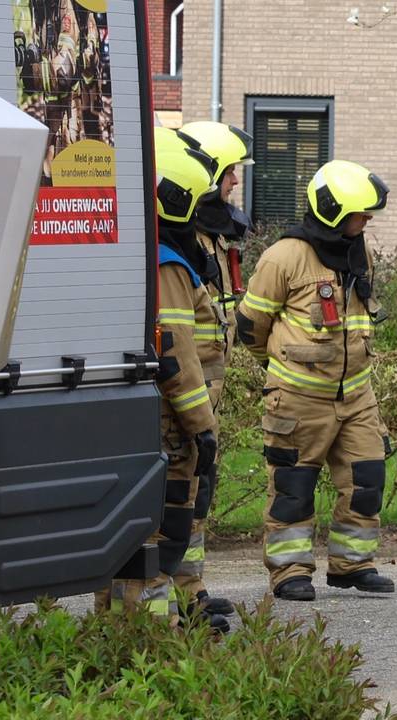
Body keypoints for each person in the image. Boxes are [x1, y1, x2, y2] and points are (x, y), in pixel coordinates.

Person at [235, 160, 394, 601]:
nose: (368, 222)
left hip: (357, 395)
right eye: (361, 214)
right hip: (298, 398)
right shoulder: (283, 257)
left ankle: (352, 565)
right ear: (333, 212)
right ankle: (289, 572)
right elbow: (250, 327)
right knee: (293, 487)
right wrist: (288, 371)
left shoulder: (359, 251)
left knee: (366, 477)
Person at [100, 128, 224, 631]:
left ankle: (157, 620)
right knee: (153, 532)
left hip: (166, 421)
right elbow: (176, 356)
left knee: (165, 528)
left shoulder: (156, 256)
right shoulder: (166, 265)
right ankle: (144, 637)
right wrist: (203, 426)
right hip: (170, 424)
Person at [171, 121, 255, 621]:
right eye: (230, 174)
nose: (235, 184)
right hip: (188, 385)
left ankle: (190, 586)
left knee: (198, 492)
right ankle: (176, 593)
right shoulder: (187, 239)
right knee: (180, 492)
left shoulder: (215, 238)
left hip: (207, 386)